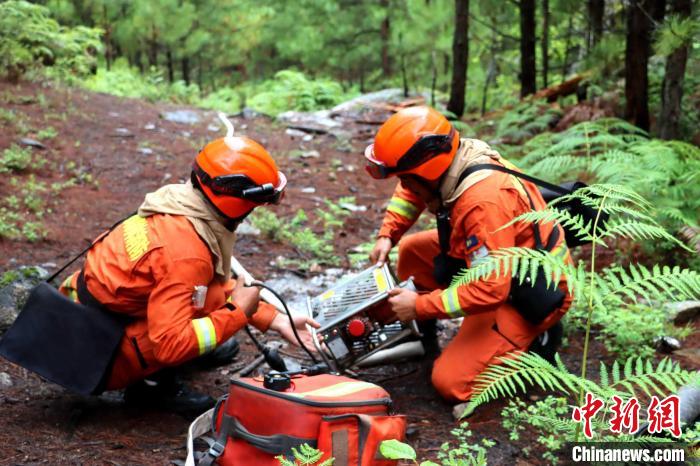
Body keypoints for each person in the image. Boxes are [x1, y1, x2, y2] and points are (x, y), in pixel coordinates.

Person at [59, 134, 318, 411]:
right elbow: (168, 345)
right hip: (93, 353)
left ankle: (164, 362)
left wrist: (275, 318)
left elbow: (205, 285)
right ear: (239, 203)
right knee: (195, 315)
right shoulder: (187, 252)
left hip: (81, 315)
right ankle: (152, 388)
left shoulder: (178, 203)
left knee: (205, 295)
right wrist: (237, 313)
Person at [363, 106, 572, 403]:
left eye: (406, 179)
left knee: (450, 382)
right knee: (412, 251)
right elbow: (411, 190)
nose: (405, 185)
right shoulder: (449, 161)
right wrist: (388, 234)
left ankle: (536, 344)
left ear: (424, 173)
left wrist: (420, 305)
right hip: (497, 261)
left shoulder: (482, 203)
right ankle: (424, 338)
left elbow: (491, 288)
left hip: (531, 289)